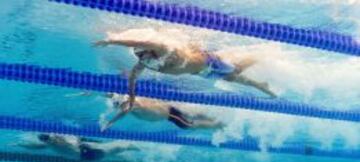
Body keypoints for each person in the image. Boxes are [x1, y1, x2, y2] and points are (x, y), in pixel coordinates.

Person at [95, 28, 276, 108]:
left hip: (210, 61)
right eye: (139, 56)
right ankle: (261, 84)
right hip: (201, 72)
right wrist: (132, 99)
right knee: (230, 77)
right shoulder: (145, 63)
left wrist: (112, 41)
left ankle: (262, 55)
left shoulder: (163, 49)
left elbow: (143, 41)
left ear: (149, 51)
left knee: (234, 71)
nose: (142, 58)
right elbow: (133, 79)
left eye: (142, 54)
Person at [101, 93, 224, 131]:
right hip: (168, 108)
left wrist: (110, 123)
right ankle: (216, 118)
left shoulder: (132, 104)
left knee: (188, 125)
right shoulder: (130, 99)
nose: (122, 107)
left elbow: (124, 112)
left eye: (122, 105)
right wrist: (94, 92)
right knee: (192, 114)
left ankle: (217, 124)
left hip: (170, 114)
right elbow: (111, 94)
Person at [15, 133, 140, 161]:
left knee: (116, 150)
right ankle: (142, 147)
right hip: (90, 152)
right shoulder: (58, 142)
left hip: (88, 154)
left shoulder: (50, 145)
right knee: (122, 145)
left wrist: (21, 144)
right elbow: (74, 143)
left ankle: (133, 155)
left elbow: (36, 147)